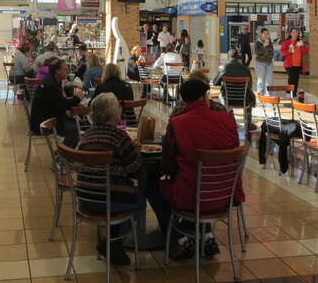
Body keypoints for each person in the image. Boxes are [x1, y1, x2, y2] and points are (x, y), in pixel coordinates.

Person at [160, 79, 242, 259]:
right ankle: (206, 235)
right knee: (202, 180)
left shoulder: (177, 123)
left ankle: (179, 239)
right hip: (225, 194)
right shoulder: (227, 119)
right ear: (205, 97)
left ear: (183, 100)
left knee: (156, 185)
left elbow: (167, 166)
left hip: (192, 197)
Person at [76, 93, 142, 265]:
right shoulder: (119, 137)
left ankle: (112, 243)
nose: (120, 110)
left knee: (115, 189)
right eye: (118, 108)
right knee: (140, 196)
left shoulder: (85, 137)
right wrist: (136, 150)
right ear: (112, 113)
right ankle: (113, 241)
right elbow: (134, 168)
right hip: (111, 201)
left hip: (85, 198)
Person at [29, 58, 84, 146]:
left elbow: (58, 102)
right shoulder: (51, 85)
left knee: (74, 122)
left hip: (45, 117)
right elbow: (62, 105)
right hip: (44, 123)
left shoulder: (51, 79)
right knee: (75, 128)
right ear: (57, 71)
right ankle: (65, 151)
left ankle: (65, 149)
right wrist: (77, 98)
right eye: (65, 69)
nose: (68, 71)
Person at [281, 29, 308, 95]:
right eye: (293, 32)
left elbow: (305, 52)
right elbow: (282, 52)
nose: (295, 34)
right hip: (289, 64)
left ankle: (291, 92)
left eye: (296, 32)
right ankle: (292, 93)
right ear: (290, 33)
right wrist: (289, 51)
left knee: (296, 79)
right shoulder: (287, 42)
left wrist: (303, 45)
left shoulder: (299, 42)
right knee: (292, 79)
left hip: (298, 64)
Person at [253, 28, 274, 95]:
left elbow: (271, 51)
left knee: (269, 80)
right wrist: (264, 46)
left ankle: (269, 96)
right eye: (265, 33)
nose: (266, 35)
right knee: (261, 80)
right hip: (260, 63)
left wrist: (270, 58)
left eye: (267, 33)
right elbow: (257, 53)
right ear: (261, 34)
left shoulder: (269, 41)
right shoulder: (257, 42)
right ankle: (260, 95)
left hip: (269, 63)